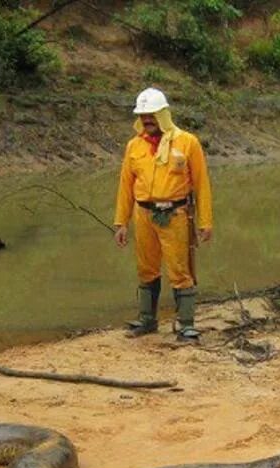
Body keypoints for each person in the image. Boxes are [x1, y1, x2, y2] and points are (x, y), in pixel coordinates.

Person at [113, 87, 213, 342]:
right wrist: (121, 222)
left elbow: (201, 184)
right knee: (146, 268)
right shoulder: (134, 146)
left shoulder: (187, 142)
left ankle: (186, 323)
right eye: (143, 115)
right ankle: (147, 319)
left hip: (176, 214)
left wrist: (205, 222)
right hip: (144, 214)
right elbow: (125, 186)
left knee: (180, 268)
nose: (147, 120)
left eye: (152, 115)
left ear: (163, 114)